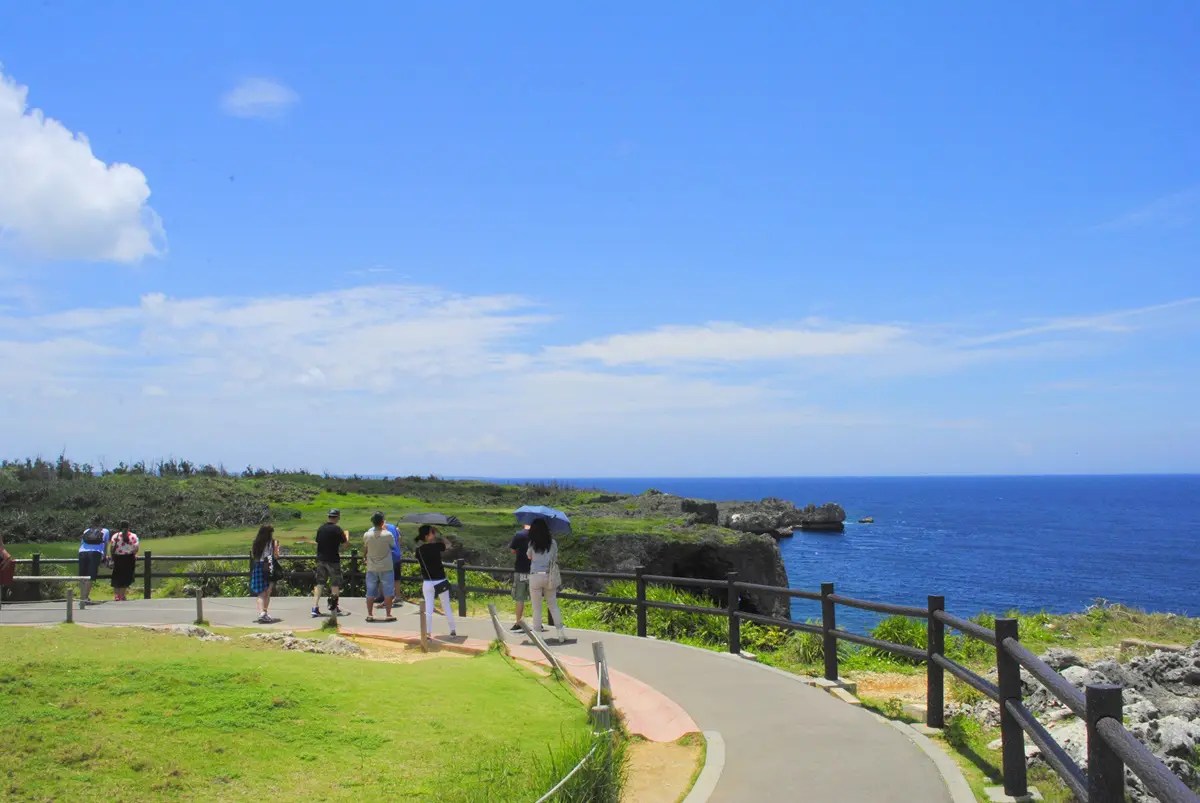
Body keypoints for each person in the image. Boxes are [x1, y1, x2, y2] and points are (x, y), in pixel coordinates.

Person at [527, 518, 567, 642]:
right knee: (553, 605)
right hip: (549, 576)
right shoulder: (553, 543)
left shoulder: (532, 543)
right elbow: (555, 557)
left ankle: (538, 635)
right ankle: (560, 633)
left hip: (535, 576)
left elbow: (529, 556)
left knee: (536, 608)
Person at [414, 525, 456, 637]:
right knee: (446, 606)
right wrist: (441, 535)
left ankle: (428, 632)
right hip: (440, 580)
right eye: (432, 532)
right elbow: (449, 544)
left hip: (428, 582)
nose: (434, 533)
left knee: (428, 607)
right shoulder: (437, 546)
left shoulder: (419, 550)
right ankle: (452, 629)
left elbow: (419, 550)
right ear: (427, 536)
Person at [312, 508, 349, 617]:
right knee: (335, 584)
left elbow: (317, 541)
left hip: (321, 559)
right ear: (337, 517)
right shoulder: (337, 529)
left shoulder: (321, 529)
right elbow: (345, 545)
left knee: (320, 583)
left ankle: (315, 607)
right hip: (333, 560)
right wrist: (347, 535)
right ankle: (334, 606)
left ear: (328, 516)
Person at [363, 512, 396, 622]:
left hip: (372, 567)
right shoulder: (388, 535)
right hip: (386, 566)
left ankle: (369, 614)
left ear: (372, 522)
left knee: (370, 591)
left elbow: (365, 547)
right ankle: (388, 614)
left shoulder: (367, 535)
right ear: (382, 522)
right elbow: (393, 546)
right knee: (388, 591)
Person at [371, 513, 403, 608]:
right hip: (396, 555)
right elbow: (399, 540)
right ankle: (397, 596)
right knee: (396, 577)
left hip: (386, 556)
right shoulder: (394, 528)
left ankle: (384, 598)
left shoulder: (376, 529)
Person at [77, 516, 110, 608]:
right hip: (95, 552)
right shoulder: (105, 531)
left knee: (82, 576)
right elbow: (105, 544)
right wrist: (104, 556)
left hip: (82, 552)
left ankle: (82, 597)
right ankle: (85, 598)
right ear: (101, 522)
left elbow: (82, 543)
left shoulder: (86, 531)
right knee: (90, 576)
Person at [250, 525, 278, 624]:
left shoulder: (256, 542)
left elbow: (253, 555)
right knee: (268, 591)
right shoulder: (273, 542)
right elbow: (276, 555)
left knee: (260, 593)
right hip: (269, 565)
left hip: (258, 565)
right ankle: (264, 613)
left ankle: (262, 613)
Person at [108, 521, 139, 601]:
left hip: (117, 558)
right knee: (125, 576)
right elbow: (136, 548)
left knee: (116, 576)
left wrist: (112, 557)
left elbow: (112, 547)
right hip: (129, 558)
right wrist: (134, 553)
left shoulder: (115, 536)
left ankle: (116, 595)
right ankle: (122, 595)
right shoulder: (133, 536)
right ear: (128, 527)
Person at [509, 525, 531, 631]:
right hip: (534, 571)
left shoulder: (519, 535)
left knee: (520, 598)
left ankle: (518, 622)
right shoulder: (537, 536)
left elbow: (513, 550)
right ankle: (538, 622)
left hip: (521, 570)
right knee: (536, 599)